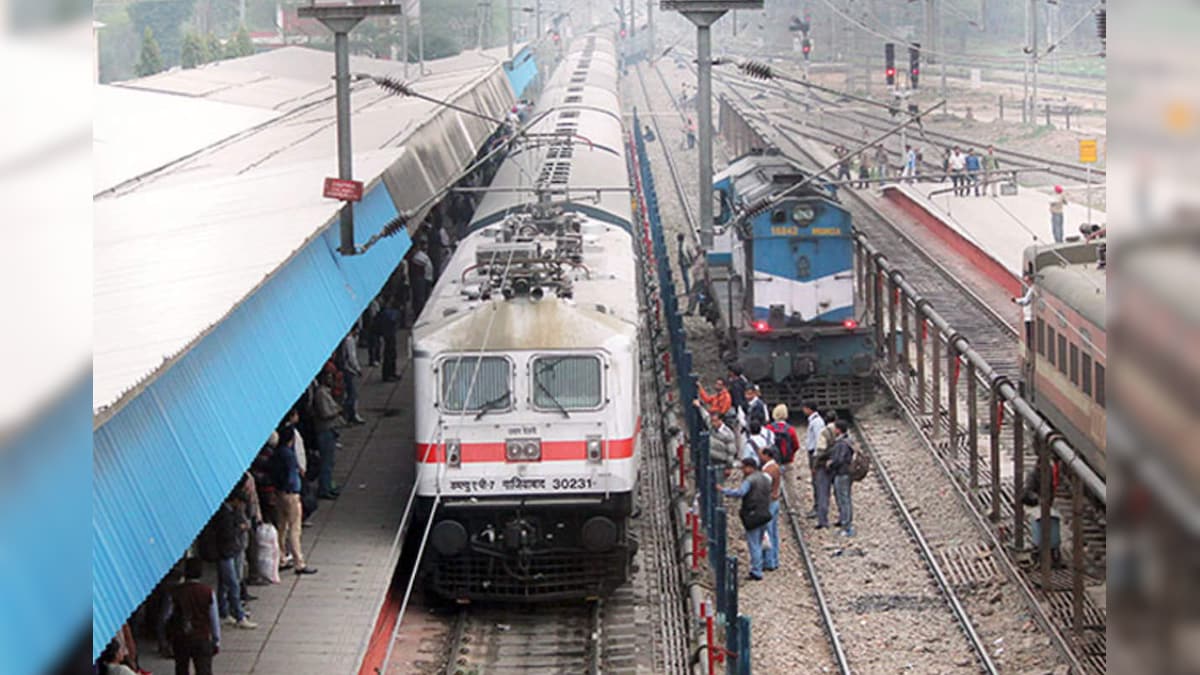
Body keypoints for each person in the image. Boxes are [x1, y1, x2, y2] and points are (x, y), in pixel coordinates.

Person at [160, 558, 221, 675]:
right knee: (204, 671)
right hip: (201, 638)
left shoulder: (175, 592)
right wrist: (216, 641)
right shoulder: (208, 592)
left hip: (181, 638)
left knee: (181, 669)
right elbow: (214, 620)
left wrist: (164, 640)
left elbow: (164, 618)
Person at [719, 458, 774, 581]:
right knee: (759, 542)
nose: (743, 470)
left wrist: (723, 490)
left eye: (744, 467)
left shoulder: (750, 480)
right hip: (765, 513)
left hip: (753, 515)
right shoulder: (765, 478)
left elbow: (740, 492)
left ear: (750, 467)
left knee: (754, 544)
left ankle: (756, 571)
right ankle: (762, 565)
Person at [274, 426, 318, 576]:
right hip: (291, 494)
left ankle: (281, 558)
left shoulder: (277, 453)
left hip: (279, 493)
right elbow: (292, 477)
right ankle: (299, 562)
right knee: (294, 528)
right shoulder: (289, 456)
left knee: (281, 526)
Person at [213, 494, 257, 629]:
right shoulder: (225, 515)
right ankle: (239, 615)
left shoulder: (229, 512)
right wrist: (240, 528)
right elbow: (227, 534)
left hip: (227, 551)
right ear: (236, 500)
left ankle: (224, 612)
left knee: (224, 584)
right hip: (225, 552)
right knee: (233, 584)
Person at [313, 371, 342, 500]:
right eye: (329, 376)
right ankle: (324, 489)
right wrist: (336, 410)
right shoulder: (321, 394)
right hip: (325, 431)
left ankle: (328, 486)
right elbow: (325, 413)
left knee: (330, 462)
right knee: (326, 462)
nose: (331, 379)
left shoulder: (325, 392)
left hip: (329, 430)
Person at [826, 421, 856, 536]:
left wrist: (830, 464)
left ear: (838, 430)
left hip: (841, 473)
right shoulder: (848, 441)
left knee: (843, 499)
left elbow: (839, 459)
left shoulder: (841, 444)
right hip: (846, 473)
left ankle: (846, 525)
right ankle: (845, 521)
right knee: (845, 498)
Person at [757, 443, 783, 572]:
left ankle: (769, 561)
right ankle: (774, 559)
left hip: (769, 502)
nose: (759, 456)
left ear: (767, 455)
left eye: (761, 454)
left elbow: (764, 487)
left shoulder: (769, 469)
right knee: (773, 532)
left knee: (767, 532)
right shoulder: (775, 467)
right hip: (775, 500)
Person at [800, 402, 827, 517]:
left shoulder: (817, 422)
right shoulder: (814, 420)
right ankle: (819, 506)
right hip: (813, 454)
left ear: (809, 409)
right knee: (816, 481)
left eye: (805, 408)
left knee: (817, 481)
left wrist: (816, 458)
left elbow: (818, 440)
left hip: (815, 455)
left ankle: (819, 508)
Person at [340, 327, 365, 425]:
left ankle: (350, 414)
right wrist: (358, 369)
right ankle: (350, 414)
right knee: (352, 394)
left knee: (351, 393)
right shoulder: (349, 341)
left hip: (346, 369)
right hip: (349, 370)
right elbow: (352, 357)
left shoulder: (346, 340)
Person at [410, 240, 434, 318]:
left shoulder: (420, 255)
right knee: (420, 298)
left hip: (426, 278)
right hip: (424, 278)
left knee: (422, 298)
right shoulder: (417, 257)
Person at [1012, 273, 1036, 345]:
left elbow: (1026, 300)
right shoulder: (1031, 288)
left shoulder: (1032, 289)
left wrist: (1016, 300)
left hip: (1030, 314)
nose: (1026, 283)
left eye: (1027, 281)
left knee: (1029, 332)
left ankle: (1029, 344)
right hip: (1028, 313)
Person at [676, 232, 694, 297]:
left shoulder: (682, 246)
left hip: (684, 263)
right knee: (685, 277)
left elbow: (685, 254)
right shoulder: (683, 244)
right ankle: (687, 290)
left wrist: (689, 262)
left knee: (685, 277)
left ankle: (688, 291)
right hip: (683, 263)